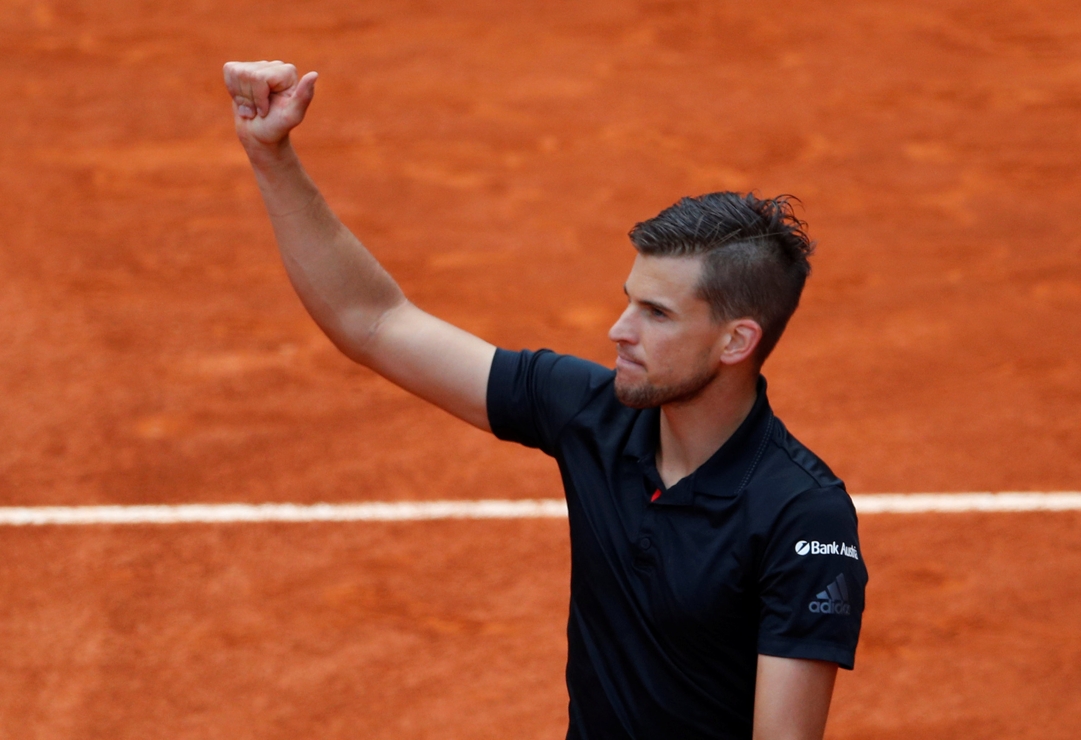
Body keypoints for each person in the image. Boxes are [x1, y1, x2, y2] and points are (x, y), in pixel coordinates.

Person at [223, 60, 868, 740]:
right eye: (629, 302)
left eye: (657, 313)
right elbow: (376, 323)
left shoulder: (802, 517)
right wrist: (272, 155)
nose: (619, 332)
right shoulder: (594, 414)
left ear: (736, 341)